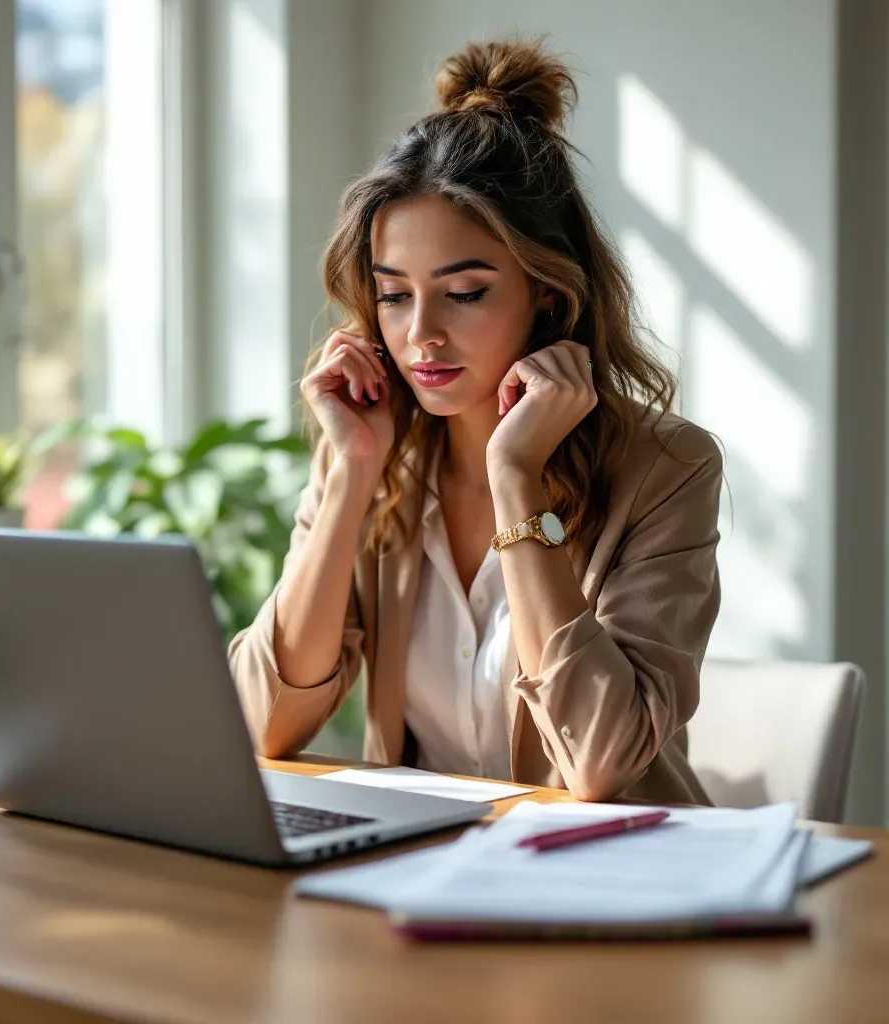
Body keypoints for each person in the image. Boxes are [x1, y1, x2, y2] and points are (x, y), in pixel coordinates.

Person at [229, 38, 722, 804]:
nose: (419, 334)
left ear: (548, 295)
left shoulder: (666, 468)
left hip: (606, 884)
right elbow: (261, 723)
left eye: (463, 293)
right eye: (394, 295)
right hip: (419, 874)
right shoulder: (370, 452)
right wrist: (352, 474)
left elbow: (599, 762)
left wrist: (516, 479)